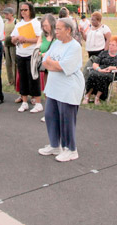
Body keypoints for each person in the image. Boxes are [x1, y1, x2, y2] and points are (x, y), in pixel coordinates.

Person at [38, 17, 85, 162]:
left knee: (66, 119)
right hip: (53, 87)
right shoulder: (56, 43)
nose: (55, 31)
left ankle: (70, 149)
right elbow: (45, 62)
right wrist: (53, 63)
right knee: (51, 116)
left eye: (59, 28)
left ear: (68, 30)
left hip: (68, 88)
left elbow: (62, 67)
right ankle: (55, 145)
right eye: (55, 28)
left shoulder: (74, 46)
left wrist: (52, 63)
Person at [11, 2, 43, 113]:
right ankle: (24, 101)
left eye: (25, 10)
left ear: (30, 11)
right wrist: (16, 39)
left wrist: (27, 39)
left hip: (32, 54)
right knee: (23, 78)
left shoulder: (35, 23)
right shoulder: (18, 24)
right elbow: (12, 38)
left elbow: (39, 39)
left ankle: (38, 102)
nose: (23, 12)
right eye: (21, 10)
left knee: (33, 77)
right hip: (20, 53)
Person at [83, 36, 117, 105]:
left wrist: (112, 68)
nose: (111, 46)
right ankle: (87, 95)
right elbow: (95, 64)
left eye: (113, 45)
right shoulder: (103, 53)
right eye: (110, 44)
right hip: (100, 69)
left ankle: (97, 97)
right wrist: (99, 69)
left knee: (103, 77)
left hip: (112, 73)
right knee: (92, 74)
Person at [3, 7, 17, 86]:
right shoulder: (5, 23)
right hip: (6, 44)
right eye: (5, 14)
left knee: (14, 63)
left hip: (13, 45)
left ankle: (16, 80)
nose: (5, 15)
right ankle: (10, 80)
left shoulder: (15, 22)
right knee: (8, 63)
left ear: (11, 14)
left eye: (7, 14)